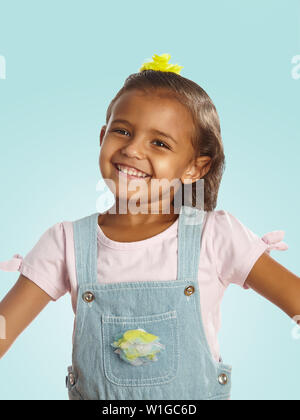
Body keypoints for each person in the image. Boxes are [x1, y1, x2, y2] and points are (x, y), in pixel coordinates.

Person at [0, 53, 297, 400]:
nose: (132, 149)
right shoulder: (66, 243)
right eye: (122, 131)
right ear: (102, 136)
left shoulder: (214, 236)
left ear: (195, 168)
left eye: (159, 143)